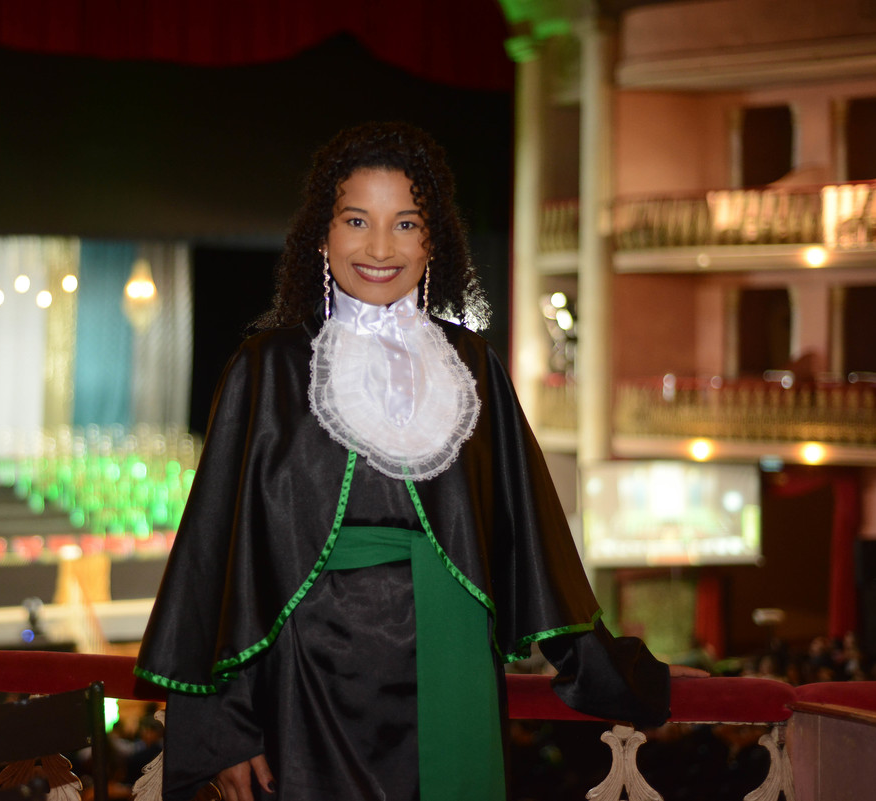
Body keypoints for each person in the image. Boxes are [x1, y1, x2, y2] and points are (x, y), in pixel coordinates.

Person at [135, 122, 703, 801]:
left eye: (405, 224)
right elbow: (220, 556)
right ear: (322, 235)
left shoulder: (473, 365)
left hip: (453, 652)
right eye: (356, 221)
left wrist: (630, 677)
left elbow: (531, 544)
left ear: (433, 241)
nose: (380, 248)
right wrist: (228, 727)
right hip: (309, 675)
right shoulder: (267, 368)